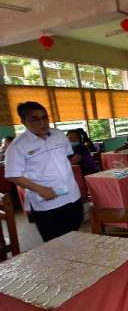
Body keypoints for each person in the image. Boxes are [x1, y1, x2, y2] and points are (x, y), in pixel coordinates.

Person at [4, 102, 83, 242]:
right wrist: (40, 189)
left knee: (75, 236)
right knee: (55, 243)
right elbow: (13, 175)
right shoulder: (17, 146)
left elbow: (66, 158)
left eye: (44, 117)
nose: (42, 122)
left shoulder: (58, 135)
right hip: (48, 203)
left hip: (72, 196)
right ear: (23, 121)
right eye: (34, 119)